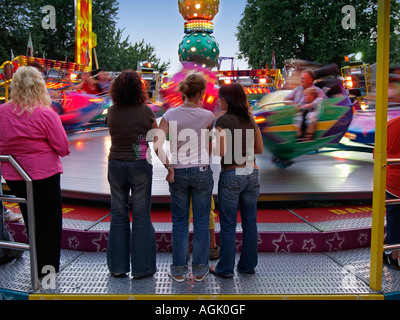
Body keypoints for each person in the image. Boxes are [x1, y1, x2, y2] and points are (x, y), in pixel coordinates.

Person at [0, 66, 70, 277]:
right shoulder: (46, 114)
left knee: (30, 217)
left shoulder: (2, 112)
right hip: (44, 174)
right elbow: (63, 147)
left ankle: (35, 259)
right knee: (49, 221)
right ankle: (47, 270)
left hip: (14, 175)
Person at [154, 73, 215, 282]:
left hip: (178, 172)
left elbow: (156, 144)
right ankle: (200, 270)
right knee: (200, 222)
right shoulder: (208, 116)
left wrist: (168, 167)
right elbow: (208, 144)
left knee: (179, 223)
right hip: (201, 172)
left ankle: (178, 270)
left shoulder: (170, 115)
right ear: (200, 93)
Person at [106, 70, 157, 279]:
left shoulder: (111, 111)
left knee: (118, 215)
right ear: (139, 88)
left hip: (116, 164)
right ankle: (142, 268)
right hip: (139, 163)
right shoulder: (145, 111)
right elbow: (155, 136)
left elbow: (112, 132)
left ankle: (118, 267)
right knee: (141, 215)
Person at [210, 83, 263, 279]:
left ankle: (225, 268)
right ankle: (248, 265)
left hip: (232, 174)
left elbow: (221, 152)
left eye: (221, 98)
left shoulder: (223, 120)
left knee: (228, 224)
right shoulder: (250, 118)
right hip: (251, 173)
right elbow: (259, 149)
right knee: (250, 222)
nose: (219, 101)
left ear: (227, 100)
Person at [384, 116, 400, 270]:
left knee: (394, 216)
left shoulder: (392, 124)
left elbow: (379, 154)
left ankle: (395, 256)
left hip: (394, 183)